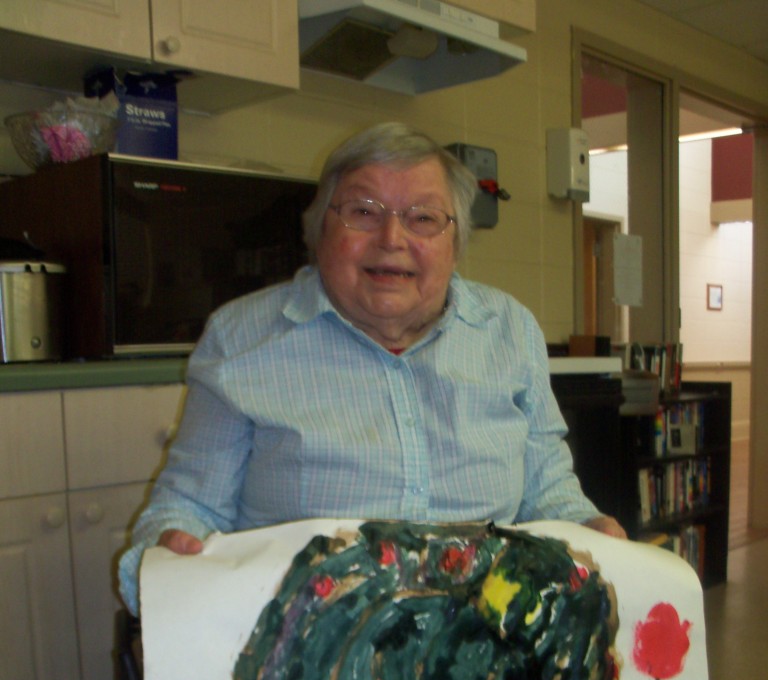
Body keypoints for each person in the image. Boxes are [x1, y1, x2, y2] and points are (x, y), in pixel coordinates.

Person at [118, 120, 623, 616]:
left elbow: (546, 490)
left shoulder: (510, 331)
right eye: (363, 211)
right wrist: (166, 553)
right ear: (319, 231)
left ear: (456, 245)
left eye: (423, 218)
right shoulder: (240, 339)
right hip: (307, 642)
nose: (392, 237)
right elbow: (191, 506)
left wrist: (587, 527)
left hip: (486, 633)